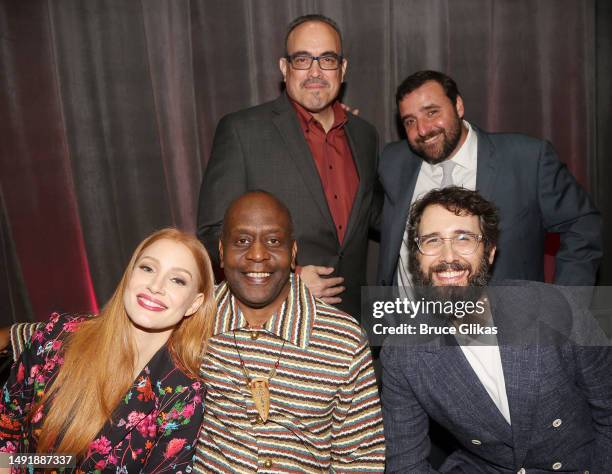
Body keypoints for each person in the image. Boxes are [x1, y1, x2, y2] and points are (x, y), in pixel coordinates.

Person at [381, 187, 612, 472]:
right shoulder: (402, 353)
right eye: (432, 241)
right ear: (417, 260)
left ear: (490, 253)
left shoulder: (556, 308)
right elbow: (405, 464)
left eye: (464, 238)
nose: (447, 255)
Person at [197, 14, 381, 319]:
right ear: (284, 68)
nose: (315, 71)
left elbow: (374, 213)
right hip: (276, 319)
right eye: (302, 59)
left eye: (327, 59)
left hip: (352, 325)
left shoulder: (364, 135)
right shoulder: (243, 130)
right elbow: (213, 232)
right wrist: (288, 280)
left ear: (342, 69)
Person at [192, 191, 385, 472]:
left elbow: (360, 460)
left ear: (293, 253)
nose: (257, 254)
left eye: (273, 241)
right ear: (221, 252)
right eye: (242, 241)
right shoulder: (195, 321)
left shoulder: (345, 340)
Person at [0, 228, 217, 473]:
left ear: (194, 303)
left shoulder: (182, 396)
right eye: (147, 268)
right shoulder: (59, 335)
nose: (156, 286)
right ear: (130, 275)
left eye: (177, 280)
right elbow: (7, 425)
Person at [378, 70, 602, 288]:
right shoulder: (393, 161)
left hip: (501, 320)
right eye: (409, 121)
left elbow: (582, 224)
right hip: (407, 320)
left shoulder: (527, 159)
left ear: (458, 106)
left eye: (432, 112)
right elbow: (365, 212)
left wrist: (566, 305)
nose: (423, 129)